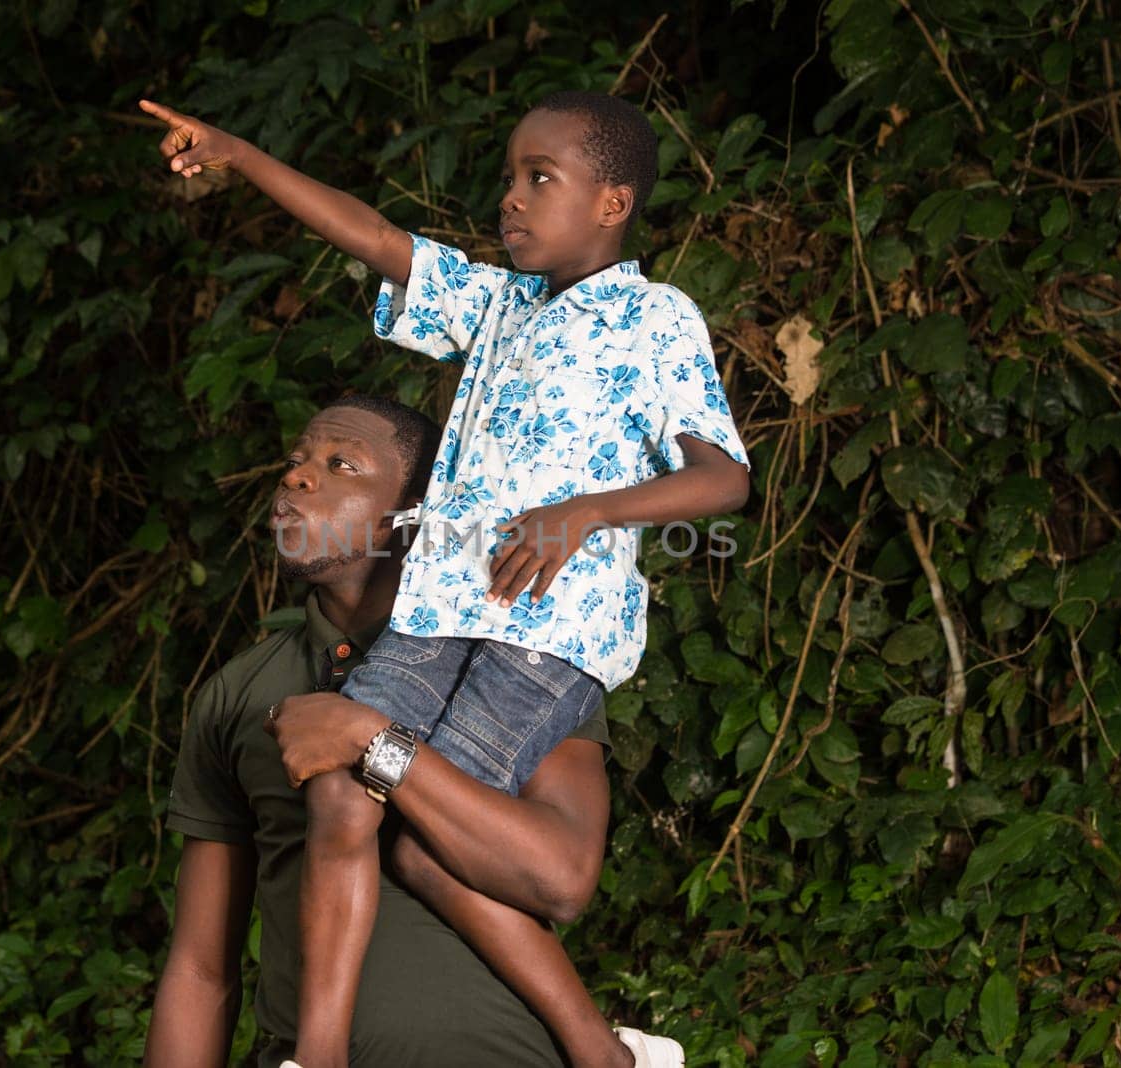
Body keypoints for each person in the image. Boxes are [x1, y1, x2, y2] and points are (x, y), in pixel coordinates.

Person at [141, 90, 750, 1068]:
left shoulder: (653, 319)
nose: (509, 198)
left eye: (537, 179)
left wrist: (586, 511)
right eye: (508, 176)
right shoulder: (499, 307)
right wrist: (241, 152)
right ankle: (320, 1056)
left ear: (612, 203)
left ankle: (604, 1056)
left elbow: (721, 478)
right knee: (341, 798)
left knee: (428, 848)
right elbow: (378, 237)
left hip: (545, 629)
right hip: (439, 608)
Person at [145, 395, 616, 1067]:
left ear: (417, 518)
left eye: (342, 464)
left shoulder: (518, 669)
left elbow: (561, 879)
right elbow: (199, 970)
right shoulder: (238, 695)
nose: (297, 477)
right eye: (295, 460)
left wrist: (371, 739)